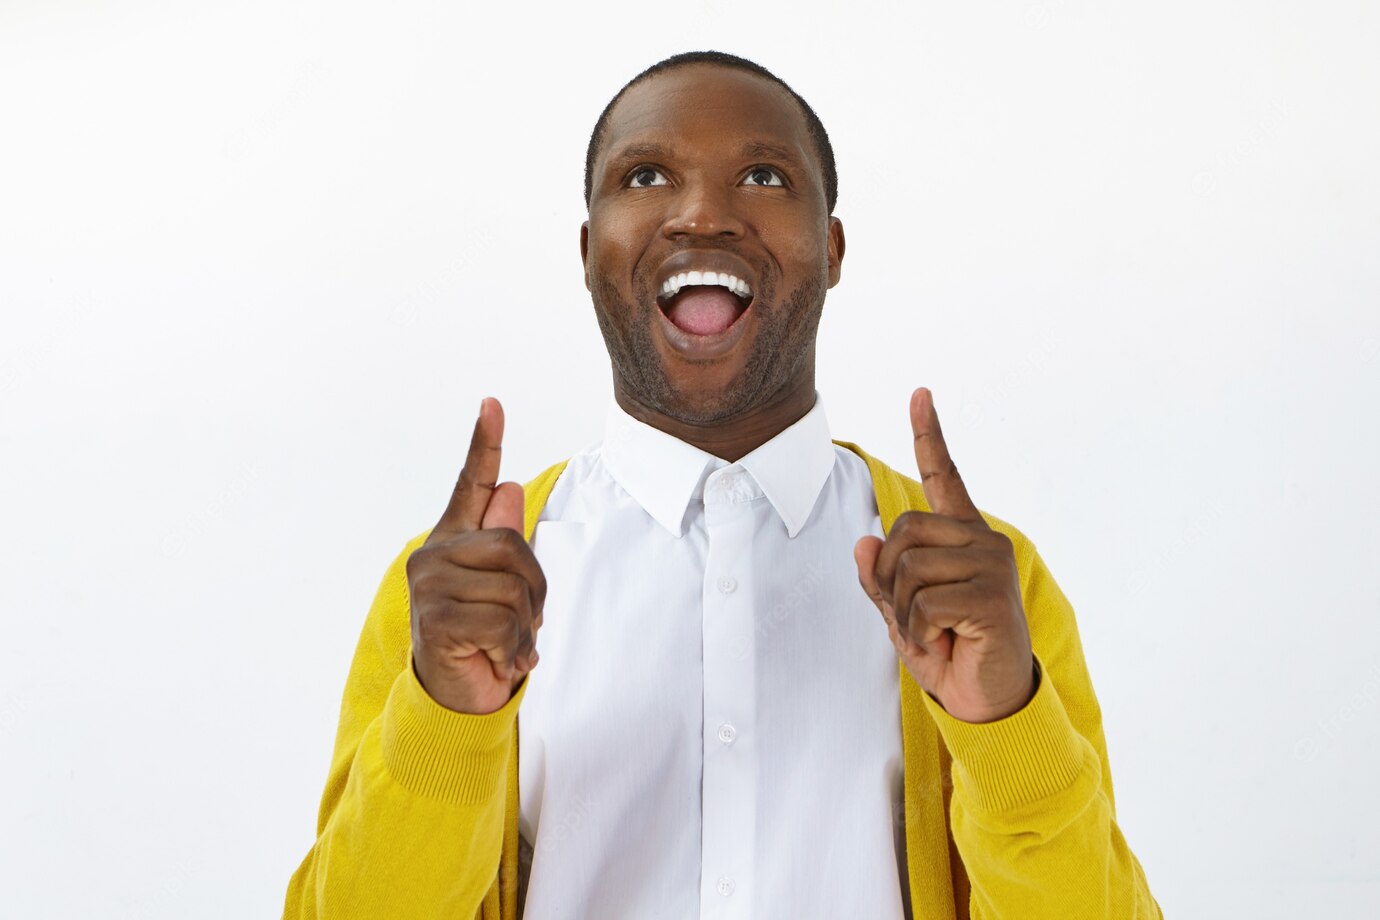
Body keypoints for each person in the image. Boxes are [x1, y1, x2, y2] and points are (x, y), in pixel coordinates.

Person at [282, 50, 1162, 919]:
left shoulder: (987, 592)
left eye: (765, 177)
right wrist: (444, 717)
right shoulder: (449, 595)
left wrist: (1006, 722)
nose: (701, 215)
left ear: (833, 246)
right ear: (590, 252)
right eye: (648, 175)